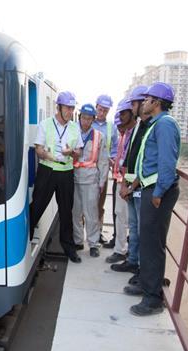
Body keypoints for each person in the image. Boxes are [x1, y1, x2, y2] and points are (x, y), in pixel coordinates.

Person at [126, 82, 181, 316]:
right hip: (150, 188)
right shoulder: (156, 124)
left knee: (152, 245)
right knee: (149, 243)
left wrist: (158, 193)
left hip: (158, 192)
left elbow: (168, 163)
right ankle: (148, 286)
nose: (144, 102)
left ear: (156, 103)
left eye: (147, 99)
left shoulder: (165, 124)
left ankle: (152, 299)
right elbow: (146, 160)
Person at [30, 91, 83, 263]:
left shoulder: (75, 127)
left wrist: (72, 152)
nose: (70, 111)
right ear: (58, 107)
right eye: (67, 108)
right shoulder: (45, 124)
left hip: (66, 172)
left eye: (72, 108)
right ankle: (25, 238)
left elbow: (79, 152)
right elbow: (38, 149)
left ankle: (69, 248)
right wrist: (49, 156)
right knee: (37, 205)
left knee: (66, 210)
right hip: (47, 171)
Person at [111, 86, 149, 280]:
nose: (133, 107)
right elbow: (129, 159)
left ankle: (142, 270)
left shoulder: (154, 127)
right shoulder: (137, 128)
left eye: (134, 104)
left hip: (142, 187)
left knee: (142, 229)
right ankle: (133, 261)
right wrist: (125, 184)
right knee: (134, 227)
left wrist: (130, 185)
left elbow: (147, 162)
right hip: (130, 184)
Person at [72, 103, 108, 258]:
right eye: (83, 118)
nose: (85, 121)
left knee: (91, 213)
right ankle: (78, 240)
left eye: (89, 119)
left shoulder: (99, 136)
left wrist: (102, 182)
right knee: (75, 212)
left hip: (91, 179)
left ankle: (93, 243)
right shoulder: (73, 133)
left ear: (93, 120)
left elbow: (103, 161)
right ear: (79, 118)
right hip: (73, 178)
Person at [105, 99, 136, 264]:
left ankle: (121, 251)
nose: (121, 119)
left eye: (124, 113)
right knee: (121, 216)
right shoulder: (125, 135)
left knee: (124, 217)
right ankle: (122, 250)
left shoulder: (132, 135)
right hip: (121, 180)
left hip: (127, 183)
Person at [92, 94, 118, 245]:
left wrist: (112, 159)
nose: (101, 113)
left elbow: (114, 148)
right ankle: (84, 233)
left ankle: (98, 233)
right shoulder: (86, 122)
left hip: (102, 171)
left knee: (99, 204)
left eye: (105, 111)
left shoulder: (111, 128)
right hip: (85, 170)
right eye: (100, 109)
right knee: (83, 203)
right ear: (96, 107)